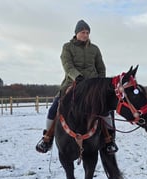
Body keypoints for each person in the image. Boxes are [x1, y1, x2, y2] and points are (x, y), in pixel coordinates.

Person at [36, 19, 118, 154]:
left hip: (92, 85)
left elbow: (100, 67)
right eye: (82, 32)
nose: (85, 35)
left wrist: (100, 83)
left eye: (87, 32)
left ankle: (109, 140)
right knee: (54, 108)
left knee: (105, 110)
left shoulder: (95, 49)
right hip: (73, 82)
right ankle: (47, 138)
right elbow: (67, 65)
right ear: (76, 33)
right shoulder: (67, 47)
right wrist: (77, 77)